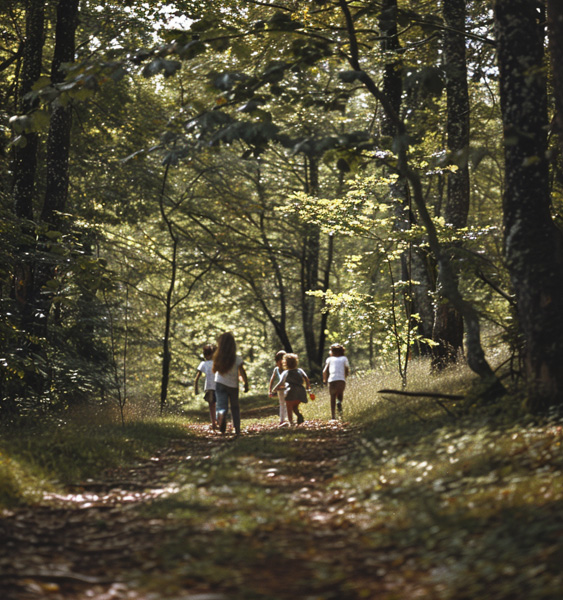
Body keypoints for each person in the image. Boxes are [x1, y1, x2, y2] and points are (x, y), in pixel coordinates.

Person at [213, 332, 249, 435]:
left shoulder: (217, 357)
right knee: (235, 407)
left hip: (220, 383)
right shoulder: (237, 358)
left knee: (221, 405)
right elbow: (242, 372)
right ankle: (237, 429)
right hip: (233, 385)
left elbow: (214, 370)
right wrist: (246, 383)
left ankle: (221, 414)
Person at [272, 353, 310, 426]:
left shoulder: (285, 372)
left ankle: (291, 422)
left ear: (285, 363)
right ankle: (298, 415)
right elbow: (306, 378)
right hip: (301, 391)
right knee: (295, 406)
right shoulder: (300, 370)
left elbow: (281, 382)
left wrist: (274, 389)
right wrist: (308, 387)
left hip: (291, 391)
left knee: (289, 406)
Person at [323, 343, 350, 420]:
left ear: (332, 352)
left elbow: (324, 371)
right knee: (340, 395)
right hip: (341, 380)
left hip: (332, 380)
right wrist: (345, 377)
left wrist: (325, 380)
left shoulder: (329, 359)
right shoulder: (344, 358)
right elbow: (347, 369)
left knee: (332, 397)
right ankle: (340, 413)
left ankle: (333, 416)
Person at [194, 344, 217, 430]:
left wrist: (196, 387)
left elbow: (197, 376)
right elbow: (198, 376)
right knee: (213, 405)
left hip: (214, 386)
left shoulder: (216, 363)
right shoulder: (204, 364)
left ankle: (216, 421)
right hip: (212, 386)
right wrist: (195, 387)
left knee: (213, 405)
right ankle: (214, 422)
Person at [268, 350, 288, 425]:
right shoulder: (276, 369)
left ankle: (288, 418)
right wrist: (270, 390)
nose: (280, 363)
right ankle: (282, 420)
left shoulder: (288, 369)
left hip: (288, 388)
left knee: (288, 403)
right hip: (280, 390)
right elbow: (272, 380)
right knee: (282, 404)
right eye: (278, 361)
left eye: (282, 360)